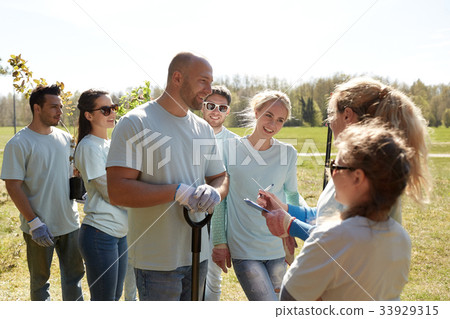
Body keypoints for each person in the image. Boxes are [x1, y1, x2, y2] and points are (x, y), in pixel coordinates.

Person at [106, 52, 229, 301]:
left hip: (198, 253)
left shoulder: (202, 128)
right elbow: (117, 190)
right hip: (157, 261)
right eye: (203, 81)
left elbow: (220, 176)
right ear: (177, 77)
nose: (209, 89)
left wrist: (215, 191)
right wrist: (175, 192)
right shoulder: (136, 122)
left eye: (211, 81)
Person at [258, 77, 431, 241]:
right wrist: (284, 208)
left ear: (347, 115)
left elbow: (338, 241)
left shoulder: (358, 173)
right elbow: (326, 216)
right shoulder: (354, 164)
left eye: (331, 115)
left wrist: (289, 225)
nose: (330, 123)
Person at [280, 120, 417, 300]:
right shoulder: (401, 238)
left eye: (336, 167)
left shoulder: (330, 236)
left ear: (358, 177)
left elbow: (289, 300)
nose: (332, 174)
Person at [211, 90, 308, 301]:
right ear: (256, 112)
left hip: (278, 248)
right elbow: (221, 199)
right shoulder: (229, 149)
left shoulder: (288, 153)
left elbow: (291, 195)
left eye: (280, 120)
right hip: (244, 248)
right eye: (268, 115)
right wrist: (218, 241)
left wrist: (292, 230)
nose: (273, 124)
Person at [1, 85, 84, 301]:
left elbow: (70, 174)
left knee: (75, 277)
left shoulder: (66, 139)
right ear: (37, 108)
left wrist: (80, 190)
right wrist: (34, 222)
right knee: (40, 282)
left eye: (61, 107)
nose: (60, 111)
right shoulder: (19, 143)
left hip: (69, 223)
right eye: (54, 107)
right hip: (39, 227)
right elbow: (13, 185)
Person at [74, 89, 128, 301]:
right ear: (89, 115)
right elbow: (111, 192)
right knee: (104, 301)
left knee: (114, 296)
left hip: (120, 233)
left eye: (113, 108)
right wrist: (146, 200)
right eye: (105, 109)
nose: (112, 113)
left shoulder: (108, 144)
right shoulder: (88, 146)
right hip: (100, 234)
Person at [200, 85, 238, 301]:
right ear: (202, 107)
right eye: (211, 105)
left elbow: (231, 185)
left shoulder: (234, 142)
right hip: (188, 215)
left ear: (228, 111)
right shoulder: (188, 134)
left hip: (218, 219)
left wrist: (222, 238)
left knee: (213, 278)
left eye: (222, 107)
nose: (216, 111)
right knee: (189, 274)